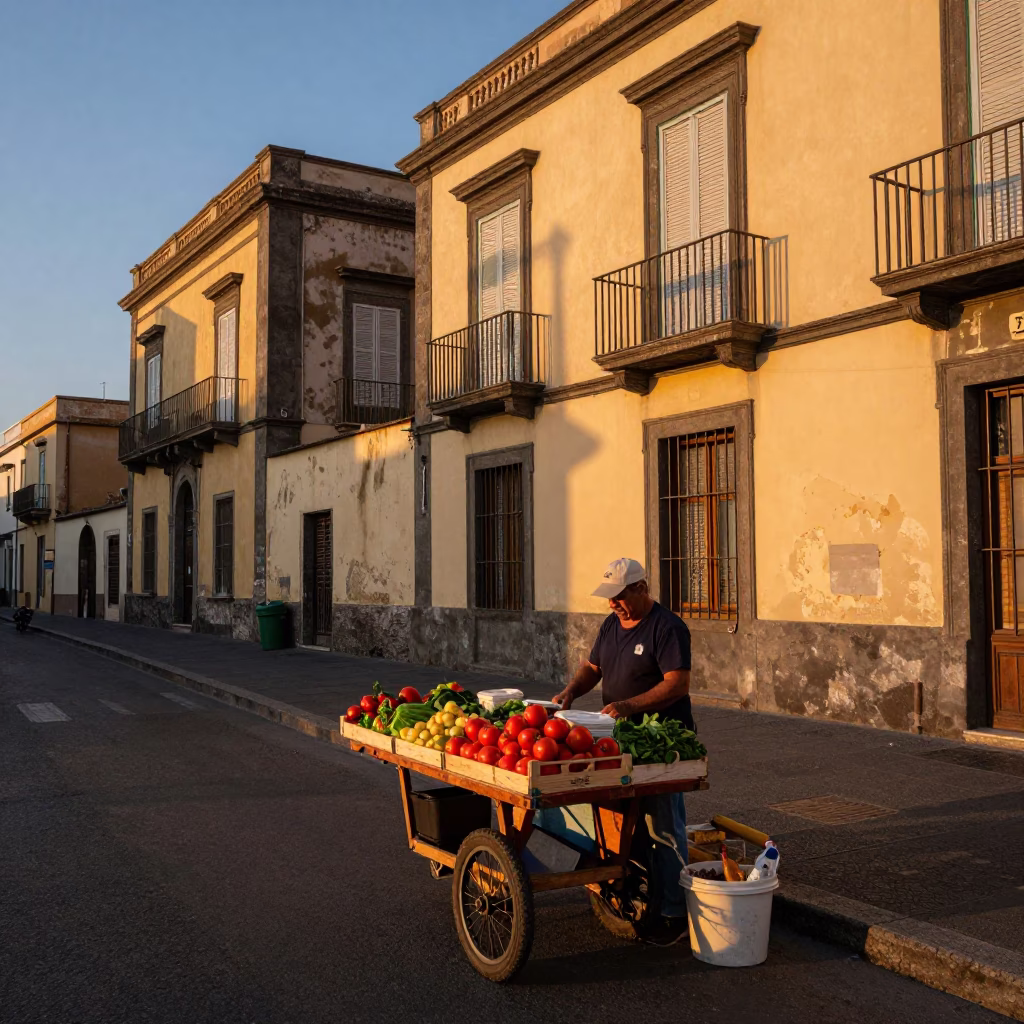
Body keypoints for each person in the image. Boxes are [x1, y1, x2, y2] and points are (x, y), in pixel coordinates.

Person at [552, 557, 693, 945]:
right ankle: (630, 885)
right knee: (620, 819)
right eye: (609, 598)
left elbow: (676, 684)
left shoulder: (668, 628)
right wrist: (571, 691)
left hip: (661, 744)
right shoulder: (612, 624)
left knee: (663, 827)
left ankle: (673, 913)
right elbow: (592, 666)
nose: (613, 604)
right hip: (616, 740)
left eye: (619, 596)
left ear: (641, 589)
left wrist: (631, 705)